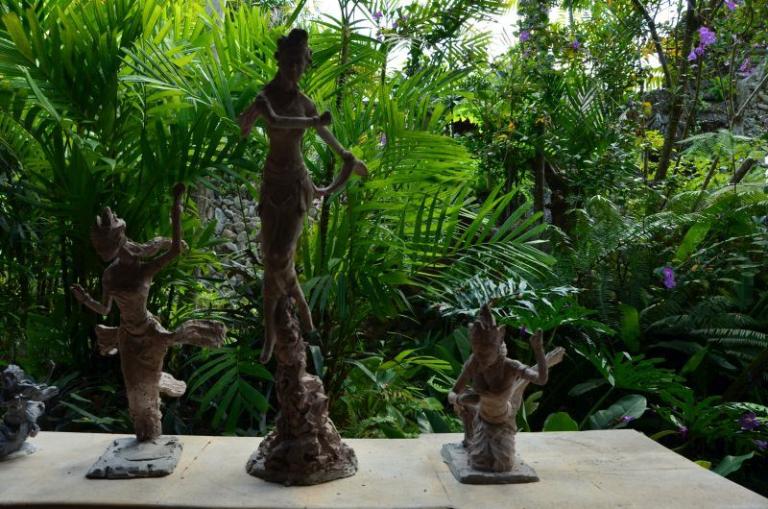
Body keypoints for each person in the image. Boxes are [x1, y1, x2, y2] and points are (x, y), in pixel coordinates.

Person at [238, 28, 367, 363]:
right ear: (279, 59)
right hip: (272, 185)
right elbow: (254, 123)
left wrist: (348, 160)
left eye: (300, 62)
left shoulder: (305, 103)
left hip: (296, 185)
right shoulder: (266, 97)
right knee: (271, 260)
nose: (294, 68)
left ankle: (297, 317)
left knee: (280, 255)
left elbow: (331, 140)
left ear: (306, 63)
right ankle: (275, 330)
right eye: (289, 61)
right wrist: (249, 117)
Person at [71, 184, 225, 441]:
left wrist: (176, 207)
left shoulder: (144, 270)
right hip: (126, 337)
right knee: (134, 394)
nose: (101, 253)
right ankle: (145, 434)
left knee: (146, 390)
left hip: (150, 334)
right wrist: (85, 299)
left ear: (118, 240)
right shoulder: (110, 275)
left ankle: (155, 410)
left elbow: (175, 250)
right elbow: (105, 309)